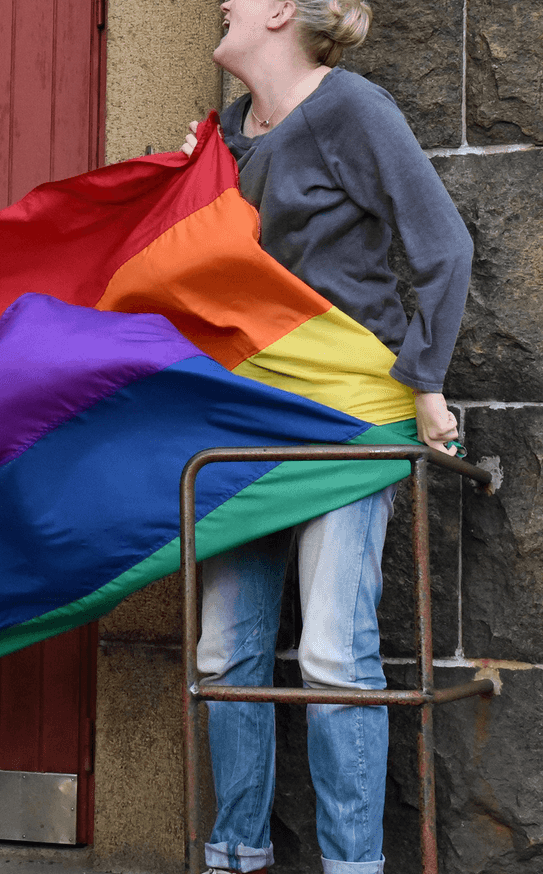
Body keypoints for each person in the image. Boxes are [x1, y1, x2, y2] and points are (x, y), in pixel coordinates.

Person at [177, 2, 471, 873]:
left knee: (332, 655)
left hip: (344, 419)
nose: (222, 2)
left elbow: (443, 248)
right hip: (243, 421)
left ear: (276, 13)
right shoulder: (221, 138)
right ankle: (235, 854)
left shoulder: (351, 110)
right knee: (225, 653)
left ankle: (351, 867)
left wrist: (423, 381)